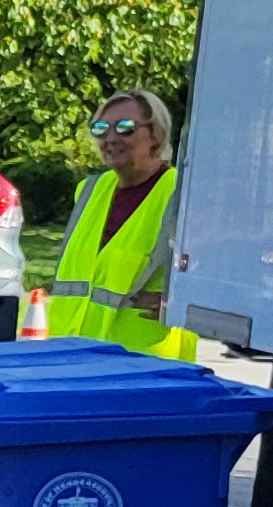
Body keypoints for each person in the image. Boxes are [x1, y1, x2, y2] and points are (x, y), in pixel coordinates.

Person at [39, 88, 192, 356]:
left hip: (145, 364)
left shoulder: (184, 195)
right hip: (73, 354)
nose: (111, 138)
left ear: (155, 135)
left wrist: (184, 302)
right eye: (101, 129)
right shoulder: (89, 191)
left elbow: (217, 271)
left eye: (125, 128)